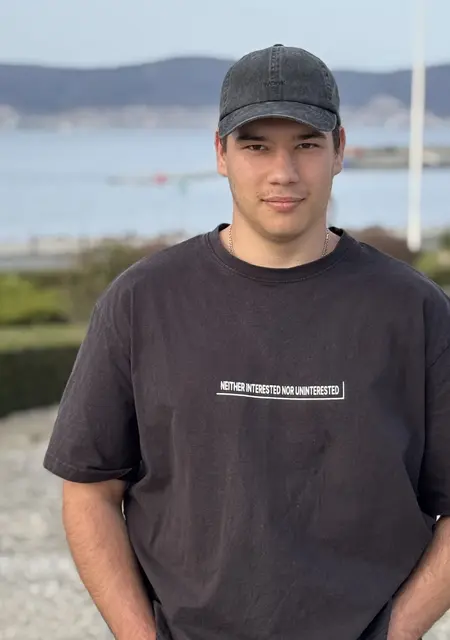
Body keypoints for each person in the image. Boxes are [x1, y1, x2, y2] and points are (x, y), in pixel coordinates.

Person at [43, 44, 450, 640]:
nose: (283, 172)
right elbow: (89, 490)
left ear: (339, 150)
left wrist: (397, 632)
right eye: (256, 146)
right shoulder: (143, 300)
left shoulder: (414, 310)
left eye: (306, 145)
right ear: (220, 154)